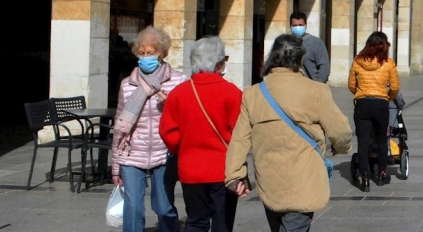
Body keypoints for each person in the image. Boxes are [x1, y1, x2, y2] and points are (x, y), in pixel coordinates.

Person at [225, 34, 352, 232]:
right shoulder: (316, 90)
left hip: (269, 179)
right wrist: (340, 147)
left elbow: (239, 138)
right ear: (301, 59)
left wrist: (234, 175)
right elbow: (341, 131)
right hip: (305, 177)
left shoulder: (253, 93)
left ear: (272, 58)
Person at [160, 36, 243, 232]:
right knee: (222, 222)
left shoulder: (179, 93)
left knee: (196, 221)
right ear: (219, 62)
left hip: (191, 169)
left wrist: (183, 148)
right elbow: (239, 134)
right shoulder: (232, 92)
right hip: (223, 169)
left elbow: (167, 132)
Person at [111, 26, 188, 232]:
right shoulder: (128, 84)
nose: (146, 57)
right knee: (133, 207)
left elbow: (189, 117)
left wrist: (171, 104)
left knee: (164, 208)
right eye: (142, 53)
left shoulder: (179, 81)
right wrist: (116, 165)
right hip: (131, 152)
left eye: (151, 53)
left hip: (164, 153)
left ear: (162, 53)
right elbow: (120, 125)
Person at [348, 31, 400, 192]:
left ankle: (364, 177)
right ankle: (382, 174)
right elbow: (395, 87)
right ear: (384, 45)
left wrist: (360, 94)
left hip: (363, 104)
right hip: (381, 104)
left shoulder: (357, 61)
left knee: (363, 142)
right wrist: (388, 97)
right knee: (382, 140)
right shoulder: (389, 63)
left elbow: (351, 85)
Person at [290, 11, 330, 83]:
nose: (297, 27)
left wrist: (318, 84)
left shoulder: (316, 43)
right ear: (290, 26)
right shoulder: (285, 43)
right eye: (295, 25)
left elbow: (324, 66)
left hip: (311, 86)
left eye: (300, 25)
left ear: (305, 25)